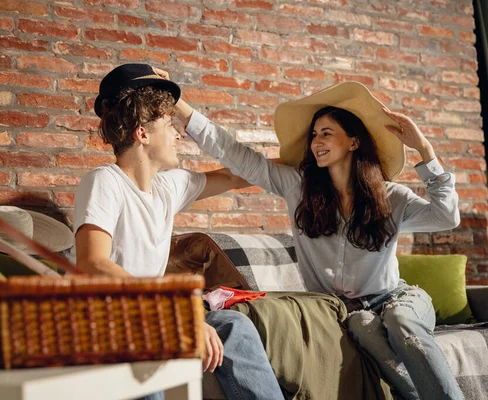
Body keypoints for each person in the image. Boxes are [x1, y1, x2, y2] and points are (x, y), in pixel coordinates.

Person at [162, 71, 463, 400]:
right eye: (315, 134)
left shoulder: (391, 197)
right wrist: (179, 106)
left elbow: (446, 216)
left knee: (402, 325)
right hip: (349, 312)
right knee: (363, 328)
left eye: (327, 133)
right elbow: (236, 154)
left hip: (396, 298)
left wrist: (425, 148)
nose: (317, 141)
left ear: (353, 141)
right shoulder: (298, 188)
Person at [71, 63, 284, 400]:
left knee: (234, 326)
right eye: (170, 125)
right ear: (142, 133)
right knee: (147, 357)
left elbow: (235, 175)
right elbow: (92, 263)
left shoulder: (168, 187)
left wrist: (300, 163)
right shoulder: (104, 182)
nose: (178, 134)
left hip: (151, 318)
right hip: (109, 322)